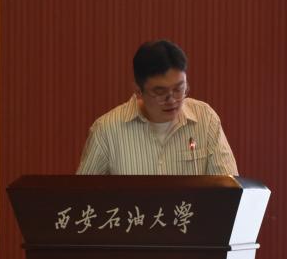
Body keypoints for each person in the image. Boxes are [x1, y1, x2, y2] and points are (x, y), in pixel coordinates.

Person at [76, 40, 238, 175]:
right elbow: (83, 197)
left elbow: (229, 191)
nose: (172, 100)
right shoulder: (106, 131)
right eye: (160, 92)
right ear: (138, 90)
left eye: (179, 89)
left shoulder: (205, 119)